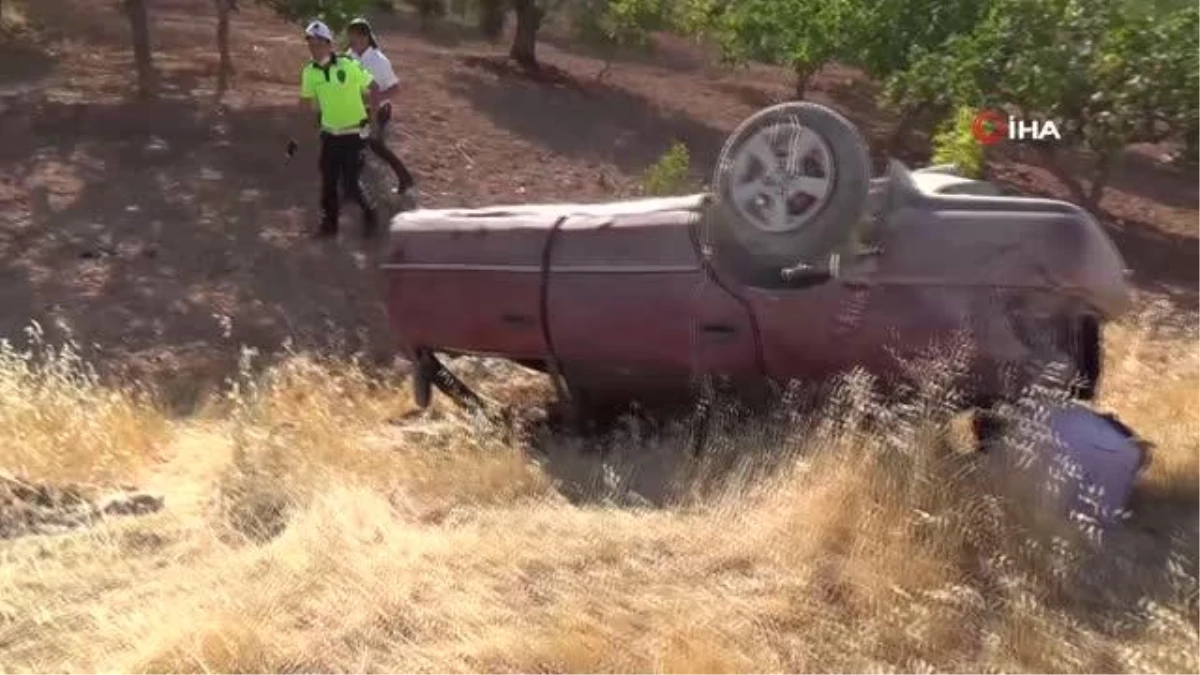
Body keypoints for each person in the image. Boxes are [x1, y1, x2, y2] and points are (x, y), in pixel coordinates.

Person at [299, 19, 378, 238]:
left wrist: (373, 117)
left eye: (317, 44)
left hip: (354, 135)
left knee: (351, 185)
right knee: (328, 183)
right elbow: (306, 101)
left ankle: (371, 214)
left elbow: (373, 87)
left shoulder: (348, 65)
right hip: (330, 136)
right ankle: (329, 226)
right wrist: (304, 127)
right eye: (310, 45)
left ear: (328, 44)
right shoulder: (309, 72)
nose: (313, 49)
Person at [344, 17, 418, 207]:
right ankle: (404, 178)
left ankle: (353, 188)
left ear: (365, 37)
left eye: (354, 37)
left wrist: (374, 102)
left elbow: (395, 88)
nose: (351, 40)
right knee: (369, 147)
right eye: (350, 37)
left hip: (379, 111)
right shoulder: (350, 55)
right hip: (359, 111)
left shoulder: (379, 61)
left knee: (364, 146)